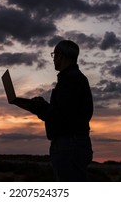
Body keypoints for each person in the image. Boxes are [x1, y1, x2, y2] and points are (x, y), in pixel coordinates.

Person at [13, 40, 93, 181]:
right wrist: (42, 106)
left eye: (54, 55)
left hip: (69, 145)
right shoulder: (73, 79)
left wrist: (36, 107)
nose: (54, 59)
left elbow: (60, 116)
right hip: (72, 144)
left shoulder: (71, 80)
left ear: (60, 55)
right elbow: (65, 110)